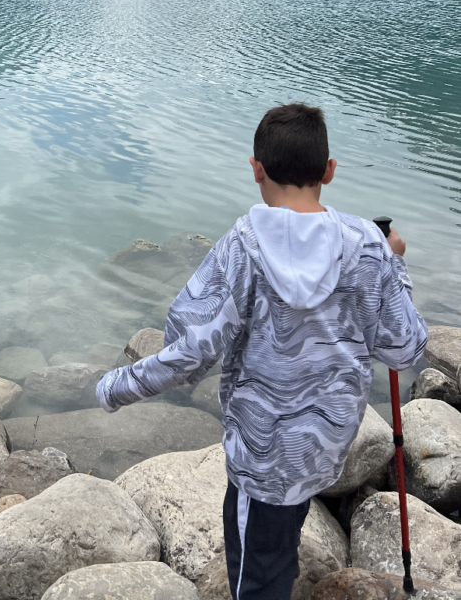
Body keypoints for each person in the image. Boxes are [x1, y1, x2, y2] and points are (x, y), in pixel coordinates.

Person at [96, 102, 427, 600]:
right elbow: (404, 350)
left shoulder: (242, 245)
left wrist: (115, 387)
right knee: (283, 529)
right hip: (326, 444)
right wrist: (395, 265)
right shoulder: (367, 244)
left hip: (265, 456)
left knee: (257, 577)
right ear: (329, 172)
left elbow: (192, 348)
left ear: (256, 170)